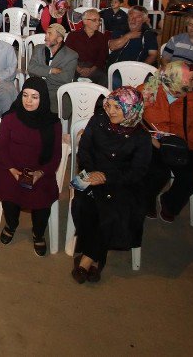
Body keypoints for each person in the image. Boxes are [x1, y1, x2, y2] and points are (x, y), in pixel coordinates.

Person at [70, 87, 151, 284]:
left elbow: (137, 172)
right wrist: (92, 172)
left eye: (118, 107)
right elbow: (85, 150)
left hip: (122, 183)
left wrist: (106, 177)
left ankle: (88, 259)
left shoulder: (141, 136)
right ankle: (98, 257)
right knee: (85, 206)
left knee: (112, 210)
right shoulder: (98, 121)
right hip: (92, 175)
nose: (111, 111)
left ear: (132, 109)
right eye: (109, 105)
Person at [0, 77, 63, 256]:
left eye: (34, 96)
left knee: (41, 201)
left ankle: (38, 233)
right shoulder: (10, 118)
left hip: (40, 171)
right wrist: (11, 169)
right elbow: (1, 149)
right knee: (9, 193)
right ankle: (11, 224)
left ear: (43, 99)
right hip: (11, 169)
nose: (28, 101)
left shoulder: (52, 123)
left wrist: (40, 172)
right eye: (25, 95)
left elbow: (56, 156)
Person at [140, 61, 193, 223]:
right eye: (191, 79)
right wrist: (149, 139)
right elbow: (131, 119)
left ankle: (170, 203)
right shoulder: (147, 92)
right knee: (157, 172)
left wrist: (186, 148)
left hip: (180, 145)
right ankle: (146, 199)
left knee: (192, 177)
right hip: (151, 143)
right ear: (177, 81)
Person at [26, 23, 78, 113]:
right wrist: (51, 70)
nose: (46, 36)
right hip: (36, 87)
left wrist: (41, 73)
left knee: (50, 114)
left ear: (59, 39)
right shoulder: (38, 48)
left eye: (50, 34)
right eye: (46, 33)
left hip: (56, 90)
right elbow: (31, 68)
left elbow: (65, 78)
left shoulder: (71, 55)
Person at [65, 9, 110, 86]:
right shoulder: (73, 35)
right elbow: (67, 54)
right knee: (67, 77)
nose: (98, 23)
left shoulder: (102, 37)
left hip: (94, 68)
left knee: (104, 78)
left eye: (99, 20)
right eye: (94, 20)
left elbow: (102, 57)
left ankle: (99, 98)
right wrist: (78, 68)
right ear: (85, 21)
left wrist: (91, 69)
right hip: (75, 66)